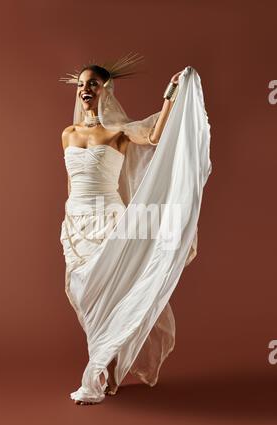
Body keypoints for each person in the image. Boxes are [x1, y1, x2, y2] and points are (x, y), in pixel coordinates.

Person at [59, 53, 212, 405]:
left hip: (109, 219)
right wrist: (68, 217)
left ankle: (100, 373)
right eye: (82, 84)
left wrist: (172, 93)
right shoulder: (67, 134)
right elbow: (70, 183)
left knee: (109, 292)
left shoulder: (118, 131)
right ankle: (106, 364)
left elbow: (155, 137)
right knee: (84, 296)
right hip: (75, 221)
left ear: (105, 90)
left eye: (93, 84)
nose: (86, 89)